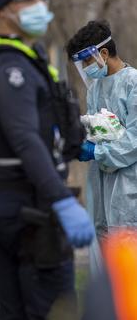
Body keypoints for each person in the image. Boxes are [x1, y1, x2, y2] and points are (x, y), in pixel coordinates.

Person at [0, 0, 94, 319]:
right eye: (29, 0)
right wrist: (61, 201)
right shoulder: (10, 67)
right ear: (4, 8)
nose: (41, 7)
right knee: (52, 309)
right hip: (24, 206)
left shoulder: (22, 58)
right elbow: (24, 139)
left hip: (9, 199)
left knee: (16, 311)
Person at [66, 20, 137, 274]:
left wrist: (99, 152)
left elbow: (135, 140)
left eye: (86, 62)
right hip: (102, 178)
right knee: (104, 237)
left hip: (130, 180)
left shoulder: (133, 83)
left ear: (103, 53)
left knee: (127, 240)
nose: (85, 69)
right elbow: (97, 127)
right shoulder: (95, 88)